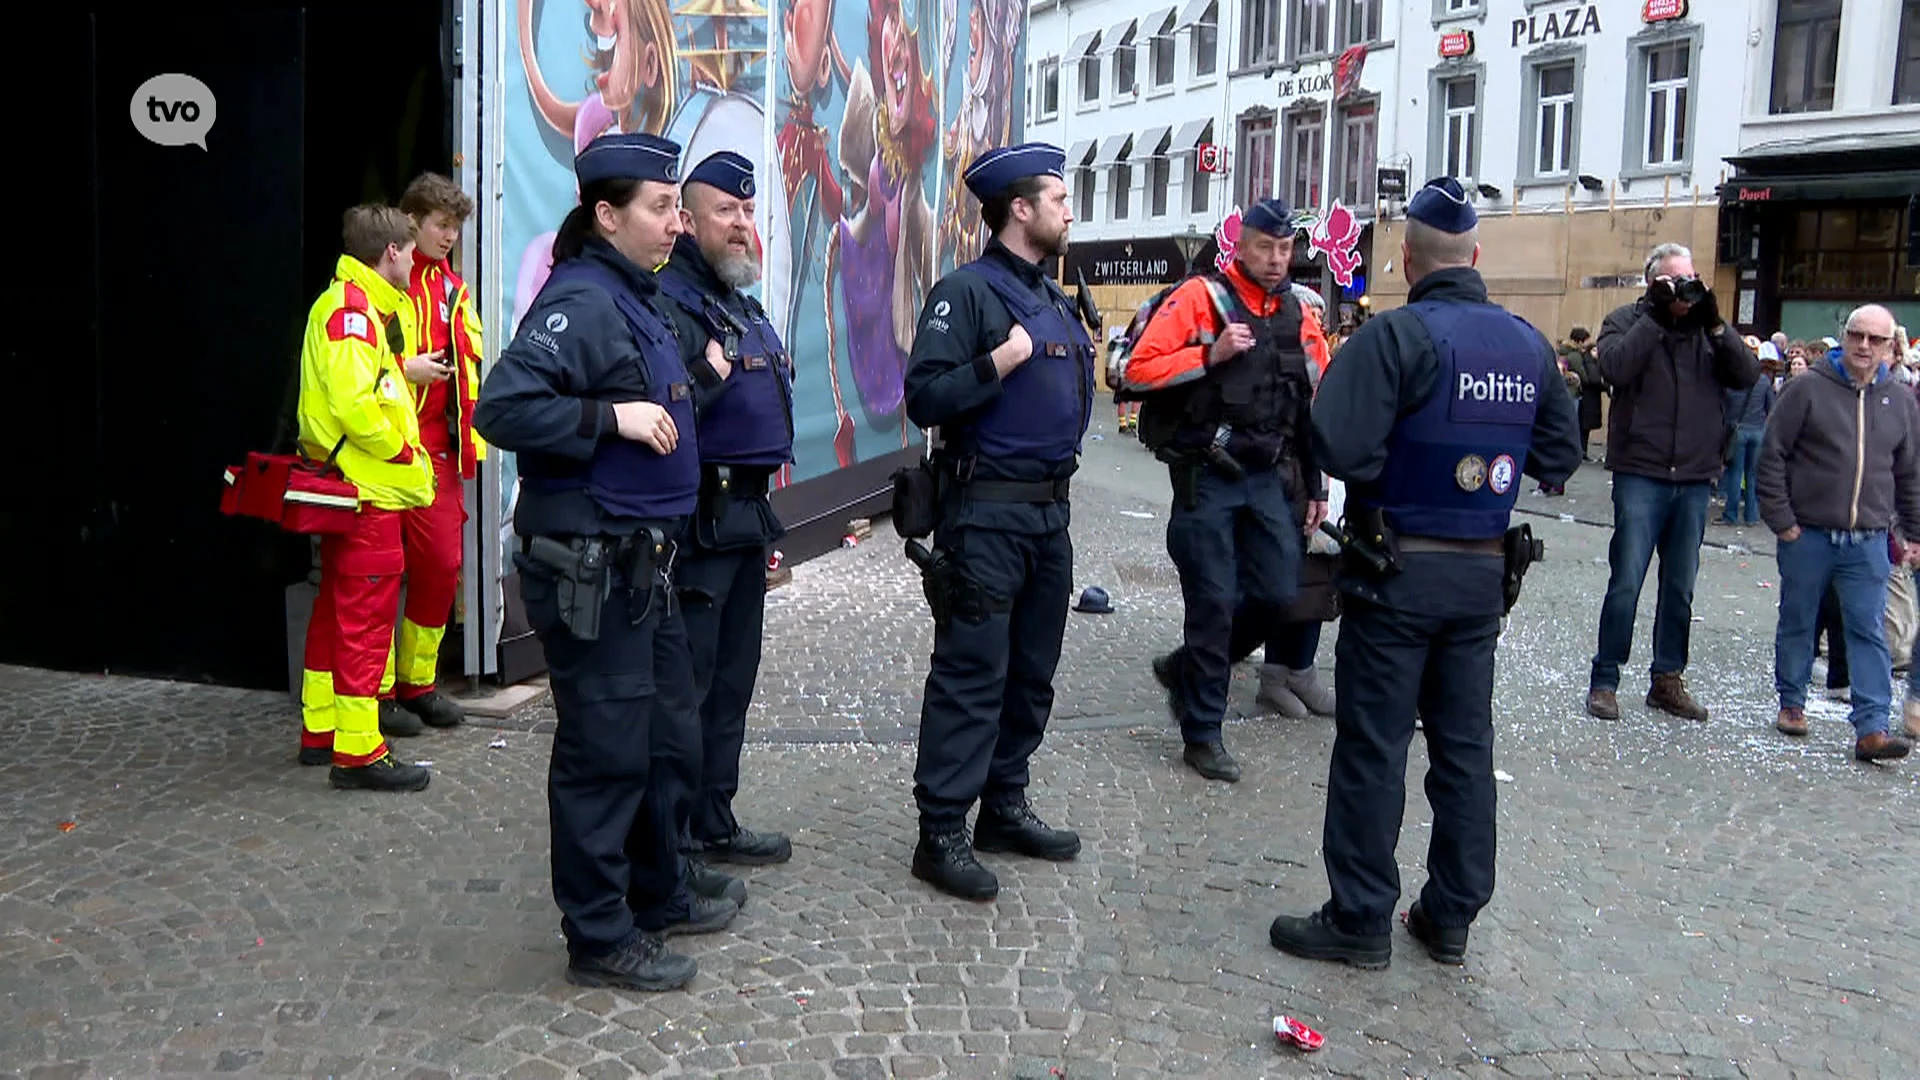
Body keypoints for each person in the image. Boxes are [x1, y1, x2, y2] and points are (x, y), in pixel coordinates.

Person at [1266, 176, 1580, 969]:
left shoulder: (1395, 338)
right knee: (1465, 746)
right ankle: (1450, 916)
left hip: (1395, 572)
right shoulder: (1526, 343)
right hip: (1480, 584)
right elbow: (1558, 455)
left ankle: (1361, 918)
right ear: (1475, 255)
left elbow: (1335, 443)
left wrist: (1395, 471)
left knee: (1374, 747)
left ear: (1407, 259)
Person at [472, 132, 734, 994]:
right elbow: (503, 405)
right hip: (596, 567)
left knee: (665, 742)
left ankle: (654, 894)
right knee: (605, 753)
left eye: (673, 208)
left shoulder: (636, 299)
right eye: (660, 209)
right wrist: (609, 422)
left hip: (643, 567)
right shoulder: (581, 299)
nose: (675, 224)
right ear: (607, 214)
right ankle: (598, 936)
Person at [899, 142, 1092, 901]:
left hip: (1050, 517)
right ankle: (941, 829)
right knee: (971, 675)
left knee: (1031, 675)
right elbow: (925, 396)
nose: (1068, 209)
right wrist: (997, 364)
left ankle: (1003, 804)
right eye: (1057, 195)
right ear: (1019, 208)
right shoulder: (968, 293)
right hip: (985, 517)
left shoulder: (1053, 296)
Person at [1124, 197, 1325, 782]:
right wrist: (1208, 354)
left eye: (1285, 249)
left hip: (1269, 476)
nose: (1275, 259)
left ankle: (1187, 670)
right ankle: (1202, 732)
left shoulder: (1298, 313)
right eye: (1265, 246)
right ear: (1242, 244)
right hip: (1208, 474)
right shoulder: (1200, 299)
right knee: (1212, 603)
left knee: (1281, 593)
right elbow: (1135, 370)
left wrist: (1316, 485)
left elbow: (1312, 402)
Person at [649, 151, 797, 868]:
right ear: (685, 220)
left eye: (747, 211)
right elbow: (664, 413)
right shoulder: (668, 305)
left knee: (731, 684)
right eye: (725, 212)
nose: (741, 224)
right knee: (688, 691)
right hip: (697, 525)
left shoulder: (738, 302)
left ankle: (712, 818)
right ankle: (671, 845)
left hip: (744, 518)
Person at [1585, 243, 1760, 723]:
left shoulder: (1707, 332)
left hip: (1696, 475)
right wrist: (1658, 318)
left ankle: (1667, 679)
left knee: (1680, 586)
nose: (1684, 288)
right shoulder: (1627, 320)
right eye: (1673, 280)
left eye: (1690, 278)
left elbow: (1746, 376)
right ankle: (1605, 679)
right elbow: (1613, 368)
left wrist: (1718, 324)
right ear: (1652, 283)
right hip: (1641, 471)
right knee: (1626, 581)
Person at [294, 206, 437, 790]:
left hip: (352, 490)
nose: (415, 260)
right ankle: (358, 754)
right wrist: (401, 452)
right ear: (392, 253)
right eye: (409, 250)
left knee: (335, 609)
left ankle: (321, 730)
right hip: (368, 492)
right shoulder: (354, 313)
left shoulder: (352, 306)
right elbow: (358, 407)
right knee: (364, 623)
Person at [1759, 304, 1920, 762]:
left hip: (1867, 539)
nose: (1864, 346)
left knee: (1868, 630)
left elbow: (1908, 475)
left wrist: (1915, 533)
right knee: (1798, 619)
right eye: (1856, 336)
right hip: (1807, 534)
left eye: (1875, 339)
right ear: (1844, 337)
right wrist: (1783, 521)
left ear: (1891, 347)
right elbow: (1772, 456)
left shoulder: (1900, 402)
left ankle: (1871, 728)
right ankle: (1792, 703)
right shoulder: (1807, 388)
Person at [379, 172, 487, 736]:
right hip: (383, 448)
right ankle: (372, 693)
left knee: (441, 567)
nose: (450, 236)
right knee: (377, 573)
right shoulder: (380, 283)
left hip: (436, 452)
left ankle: (417, 683)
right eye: (443, 225)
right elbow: (346, 366)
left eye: (455, 227)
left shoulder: (451, 288)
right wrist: (406, 369)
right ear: (412, 221)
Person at [1718, 364, 1773, 527]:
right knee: (1752, 475)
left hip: (1738, 431)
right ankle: (1752, 516)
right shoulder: (1764, 381)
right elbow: (1771, 407)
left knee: (1735, 474)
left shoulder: (1732, 381)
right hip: (1758, 431)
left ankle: (1731, 515)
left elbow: (1724, 406)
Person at [1558, 326, 1604, 464]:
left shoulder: (1565, 352)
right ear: (1579, 341)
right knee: (1573, 423)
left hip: (1566, 391)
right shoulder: (1576, 355)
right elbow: (1584, 376)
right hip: (1573, 391)